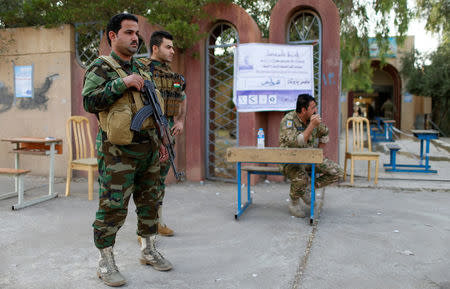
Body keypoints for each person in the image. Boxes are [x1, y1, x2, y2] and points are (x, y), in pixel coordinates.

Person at [82, 13, 172, 287]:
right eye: (129, 33)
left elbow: (155, 110)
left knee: (150, 203)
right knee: (113, 207)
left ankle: (148, 249)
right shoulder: (101, 67)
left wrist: (162, 141)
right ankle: (105, 261)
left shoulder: (143, 68)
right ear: (113, 36)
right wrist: (122, 83)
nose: (135, 38)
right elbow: (89, 101)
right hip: (117, 153)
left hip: (149, 149)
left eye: (137, 34)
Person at [139, 30, 187, 237]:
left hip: (167, 133)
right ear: (155, 48)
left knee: (159, 180)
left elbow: (182, 97)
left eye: (173, 47)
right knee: (144, 182)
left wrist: (180, 121)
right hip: (146, 133)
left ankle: (157, 221)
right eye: (168, 47)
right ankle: (144, 229)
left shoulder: (174, 77)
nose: (173, 51)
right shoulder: (141, 70)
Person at [279, 94, 343, 218]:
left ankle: (307, 188)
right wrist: (312, 126)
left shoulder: (313, 119)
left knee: (337, 171)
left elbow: (325, 132)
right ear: (303, 110)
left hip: (309, 159)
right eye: (313, 107)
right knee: (301, 177)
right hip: (289, 161)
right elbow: (299, 141)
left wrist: (319, 153)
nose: (316, 110)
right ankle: (294, 201)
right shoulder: (289, 120)